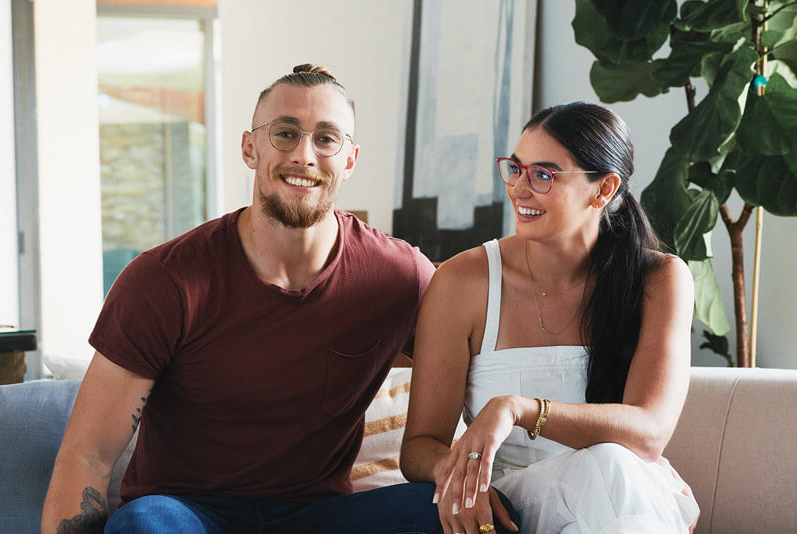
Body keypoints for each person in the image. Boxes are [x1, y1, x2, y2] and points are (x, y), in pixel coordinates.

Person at [42, 64, 443, 534]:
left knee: (466, 512)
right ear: (250, 148)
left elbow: (480, 355)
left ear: (350, 160)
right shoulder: (162, 280)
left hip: (319, 515)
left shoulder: (400, 277)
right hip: (187, 514)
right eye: (285, 133)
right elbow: (87, 458)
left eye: (327, 139)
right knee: (144, 525)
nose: (305, 155)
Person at [400, 102, 701, 534]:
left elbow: (649, 432)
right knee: (613, 467)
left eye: (543, 174)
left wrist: (519, 409)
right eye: (516, 168)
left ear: (603, 189)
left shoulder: (659, 279)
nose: (519, 188)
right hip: (512, 504)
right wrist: (461, 473)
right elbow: (417, 449)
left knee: (613, 465)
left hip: (620, 492)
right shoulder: (462, 282)